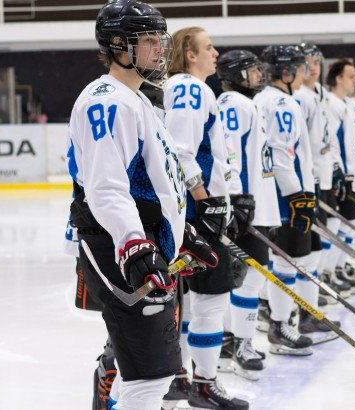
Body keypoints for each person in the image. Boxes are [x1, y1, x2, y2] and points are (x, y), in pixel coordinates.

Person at [67, 2, 217, 409]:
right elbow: (106, 188)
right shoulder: (108, 101)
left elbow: (158, 183)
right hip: (114, 244)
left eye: (159, 40)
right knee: (150, 377)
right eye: (148, 41)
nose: (159, 50)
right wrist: (134, 243)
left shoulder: (139, 102)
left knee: (148, 371)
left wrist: (178, 232)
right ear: (117, 45)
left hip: (140, 242)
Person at [163, 26, 249, 409]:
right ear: (190, 53)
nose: (216, 53)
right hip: (197, 210)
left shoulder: (179, 87)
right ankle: (203, 383)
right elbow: (182, 152)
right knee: (210, 299)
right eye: (209, 47)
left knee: (184, 299)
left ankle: (181, 379)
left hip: (192, 209)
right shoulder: (191, 88)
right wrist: (208, 202)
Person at [215, 49, 277, 380]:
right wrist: (239, 200)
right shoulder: (236, 105)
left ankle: (230, 341)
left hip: (251, 205)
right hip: (247, 207)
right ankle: (241, 343)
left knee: (241, 276)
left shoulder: (241, 104)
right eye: (252, 71)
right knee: (249, 277)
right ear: (237, 75)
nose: (258, 75)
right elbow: (231, 154)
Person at [254, 44, 320, 355]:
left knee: (288, 261)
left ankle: (283, 319)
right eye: (297, 66)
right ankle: (280, 326)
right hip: (287, 196)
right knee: (286, 261)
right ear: (285, 71)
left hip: (276, 193)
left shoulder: (262, 99)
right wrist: (298, 196)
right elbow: (282, 155)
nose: (302, 71)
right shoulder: (282, 103)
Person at [292, 43, 346, 306]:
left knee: (326, 233)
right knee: (307, 243)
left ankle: (317, 281)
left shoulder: (322, 93)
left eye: (316, 62)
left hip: (324, 172)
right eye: (308, 62)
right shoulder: (298, 95)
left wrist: (335, 166)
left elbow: (329, 135)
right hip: (308, 177)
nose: (313, 67)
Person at [324, 58, 355, 294]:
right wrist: (340, 171)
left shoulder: (348, 104)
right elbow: (331, 143)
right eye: (351, 76)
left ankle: (337, 268)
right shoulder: (330, 104)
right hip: (341, 175)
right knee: (337, 225)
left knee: (349, 225)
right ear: (338, 78)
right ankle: (326, 273)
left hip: (353, 173)